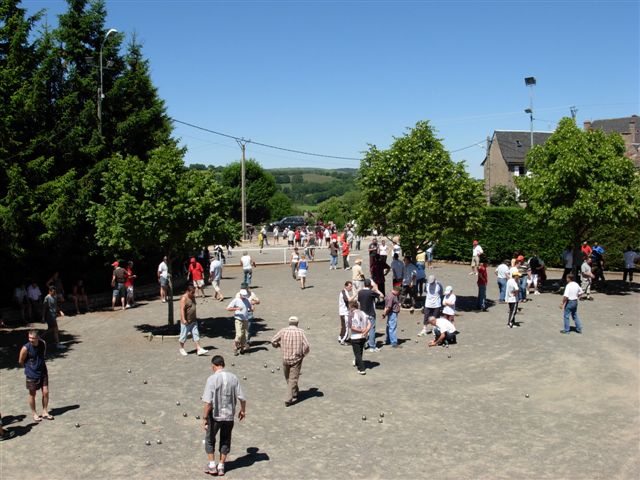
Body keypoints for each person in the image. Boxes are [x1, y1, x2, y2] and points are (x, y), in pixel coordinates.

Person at [201, 355, 246, 477]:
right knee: (225, 439)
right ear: (223, 364)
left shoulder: (211, 379)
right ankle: (221, 466)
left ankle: (211, 465)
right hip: (229, 415)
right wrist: (242, 410)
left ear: (213, 366)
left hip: (215, 416)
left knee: (210, 440)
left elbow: (208, 403)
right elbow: (242, 397)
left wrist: (205, 417)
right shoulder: (234, 378)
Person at [271, 316, 310, 407]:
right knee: (292, 379)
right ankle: (288, 399)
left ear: (289, 323)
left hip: (285, 358)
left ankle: (294, 393)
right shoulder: (301, 332)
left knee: (289, 378)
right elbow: (307, 346)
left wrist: (277, 345)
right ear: (297, 323)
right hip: (297, 359)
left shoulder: (283, 331)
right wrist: (303, 354)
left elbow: (273, 340)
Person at [18, 330, 54, 422]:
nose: (31, 340)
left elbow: (43, 355)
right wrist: (29, 368)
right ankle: (34, 413)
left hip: (43, 372)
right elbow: (20, 361)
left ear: (38, 337)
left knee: (45, 392)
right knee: (32, 394)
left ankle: (45, 411)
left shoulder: (43, 344)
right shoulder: (25, 348)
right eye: (29, 337)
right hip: (31, 374)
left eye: (33, 338)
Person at [179, 284, 207, 356]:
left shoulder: (193, 296)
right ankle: (181, 348)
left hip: (193, 320)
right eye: (192, 292)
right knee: (183, 336)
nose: (193, 294)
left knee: (196, 334)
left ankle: (199, 349)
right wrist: (183, 319)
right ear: (187, 291)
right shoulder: (184, 298)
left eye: (194, 292)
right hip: (186, 321)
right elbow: (182, 310)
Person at [358, 279, 383, 351]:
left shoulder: (360, 292)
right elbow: (382, 296)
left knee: (364, 329)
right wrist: (376, 289)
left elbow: (359, 302)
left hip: (362, 313)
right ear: (370, 285)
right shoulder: (371, 292)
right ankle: (372, 346)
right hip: (370, 313)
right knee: (371, 329)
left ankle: (364, 344)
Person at [226, 289, 252, 355]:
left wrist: (252, 309)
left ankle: (242, 349)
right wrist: (237, 309)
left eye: (245, 296)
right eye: (243, 296)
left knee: (244, 335)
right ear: (240, 294)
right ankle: (235, 347)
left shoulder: (246, 300)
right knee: (239, 334)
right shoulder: (236, 300)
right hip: (238, 319)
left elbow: (249, 307)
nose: (244, 297)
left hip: (245, 320)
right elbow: (228, 308)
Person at [348, 299, 371, 374]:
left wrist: (361, 331)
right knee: (360, 351)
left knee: (357, 353)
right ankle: (358, 363)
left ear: (351, 307)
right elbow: (369, 324)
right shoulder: (363, 313)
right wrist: (366, 331)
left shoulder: (351, 314)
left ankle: (361, 368)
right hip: (363, 337)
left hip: (355, 337)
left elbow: (351, 326)